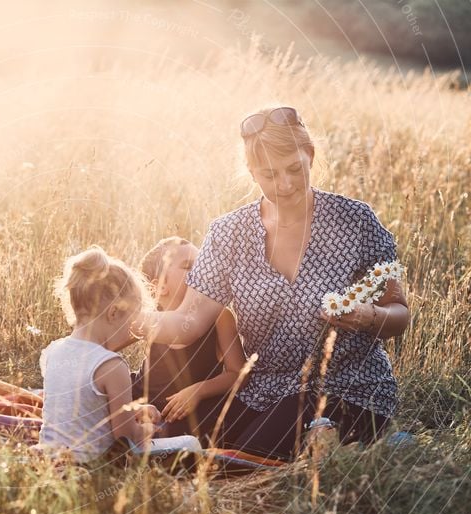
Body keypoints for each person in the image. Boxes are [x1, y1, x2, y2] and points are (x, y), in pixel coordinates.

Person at [137, 106, 410, 460]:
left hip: (348, 387)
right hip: (262, 390)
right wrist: (131, 318)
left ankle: (373, 447)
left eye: (295, 169)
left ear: (310, 156)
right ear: (252, 173)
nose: (285, 184)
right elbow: (188, 323)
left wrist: (368, 316)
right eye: (269, 175)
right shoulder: (227, 233)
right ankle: (329, 452)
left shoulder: (356, 220)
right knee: (178, 433)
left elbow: (399, 312)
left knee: (246, 451)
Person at [38, 246, 165, 463]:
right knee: (187, 443)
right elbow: (124, 436)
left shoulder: (52, 353)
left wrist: (133, 409)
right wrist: (148, 429)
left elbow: (81, 407)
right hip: (91, 466)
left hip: (50, 460)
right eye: (131, 321)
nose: (132, 330)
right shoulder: (111, 366)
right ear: (113, 313)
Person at [132, 236, 248, 446]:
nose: (201, 271)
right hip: (147, 404)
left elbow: (238, 373)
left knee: (193, 425)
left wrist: (198, 390)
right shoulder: (151, 318)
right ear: (159, 288)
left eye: (202, 263)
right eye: (188, 266)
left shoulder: (219, 316)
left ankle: (160, 444)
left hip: (189, 409)